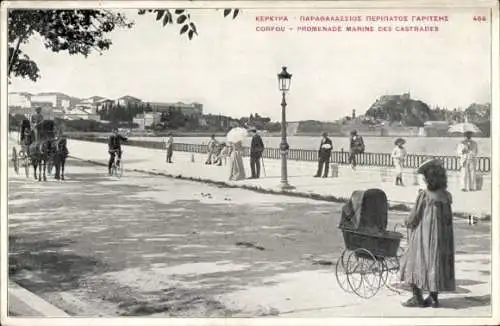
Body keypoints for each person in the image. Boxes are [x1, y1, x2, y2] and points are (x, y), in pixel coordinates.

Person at [400, 159, 455, 308]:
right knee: (435, 265)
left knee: (413, 262)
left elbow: (413, 218)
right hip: (442, 239)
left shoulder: (425, 195)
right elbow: (448, 218)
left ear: (428, 178)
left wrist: (406, 222)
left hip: (424, 237)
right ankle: (433, 298)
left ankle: (417, 298)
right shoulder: (446, 196)